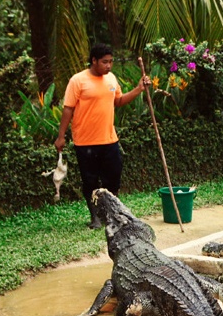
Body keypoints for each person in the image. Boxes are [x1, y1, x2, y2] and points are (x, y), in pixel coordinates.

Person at [55, 42, 151, 229]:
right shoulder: (78, 80)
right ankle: (95, 217)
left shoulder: (111, 79)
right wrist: (61, 136)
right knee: (90, 181)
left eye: (111, 62)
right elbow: (68, 109)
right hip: (85, 142)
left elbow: (119, 101)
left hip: (109, 139)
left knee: (113, 178)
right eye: (105, 62)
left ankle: (112, 213)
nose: (109, 66)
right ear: (94, 61)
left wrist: (139, 89)